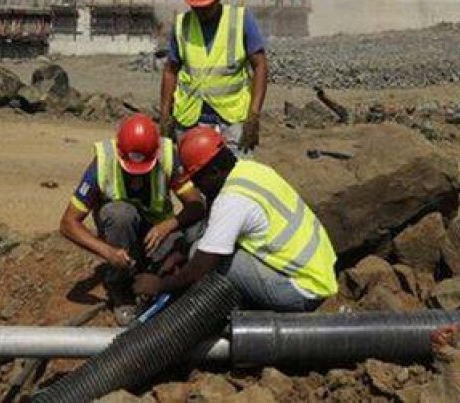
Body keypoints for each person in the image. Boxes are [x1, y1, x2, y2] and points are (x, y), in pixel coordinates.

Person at [133, 126, 337, 312]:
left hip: (301, 291)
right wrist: (182, 253)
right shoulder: (252, 170)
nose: (197, 188)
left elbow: (201, 268)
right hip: (321, 273)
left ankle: (230, 310)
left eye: (197, 180)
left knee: (203, 255)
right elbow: (211, 221)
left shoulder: (232, 201)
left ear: (213, 172)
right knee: (198, 243)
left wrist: (160, 285)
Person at [59, 113, 207, 325]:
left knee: (183, 246)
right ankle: (120, 287)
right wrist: (108, 252)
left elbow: (196, 204)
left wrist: (169, 225)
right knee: (121, 214)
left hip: (156, 231)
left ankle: (153, 282)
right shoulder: (104, 161)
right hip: (120, 230)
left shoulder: (166, 155)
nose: (137, 176)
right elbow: (68, 223)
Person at [159, 0, 268, 155]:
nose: (200, 12)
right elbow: (170, 70)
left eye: (205, 7)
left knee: (236, 178)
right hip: (189, 119)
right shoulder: (182, 25)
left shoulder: (240, 20)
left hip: (231, 120)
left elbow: (260, 66)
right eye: (195, 7)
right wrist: (165, 115)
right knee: (191, 180)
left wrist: (254, 116)